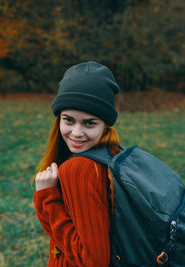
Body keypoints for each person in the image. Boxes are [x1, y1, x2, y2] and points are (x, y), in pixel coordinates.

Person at [33, 61, 122, 267]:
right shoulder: (110, 154)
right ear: (59, 119)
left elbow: (93, 261)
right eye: (69, 120)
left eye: (89, 123)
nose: (76, 133)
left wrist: (47, 197)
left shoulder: (80, 169)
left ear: (105, 125)